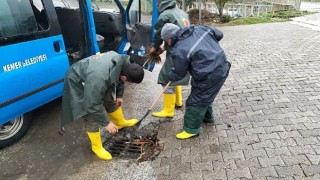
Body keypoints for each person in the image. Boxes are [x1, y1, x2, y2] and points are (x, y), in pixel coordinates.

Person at [61, 51, 144, 160]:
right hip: (77, 80)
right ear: (124, 77)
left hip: (96, 74)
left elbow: (120, 80)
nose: (129, 83)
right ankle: (96, 147)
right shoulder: (99, 78)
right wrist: (106, 123)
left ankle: (120, 122)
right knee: (91, 114)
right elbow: (91, 104)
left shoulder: (125, 63)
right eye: (131, 82)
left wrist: (119, 95)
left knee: (109, 98)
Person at [161, 23, 231, 139]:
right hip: (222, 66)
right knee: (205, 95)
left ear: (171, 38)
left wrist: (170, 77)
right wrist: (209, 47)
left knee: (195, 100)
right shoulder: (201, 29)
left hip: (209, 74)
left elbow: (179, 73)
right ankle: (207, 118)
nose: (167, 43)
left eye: (167, 41)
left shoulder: (180, 49)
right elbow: (219, 34)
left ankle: (191, 129)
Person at [149, 0, 190, 118]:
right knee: (175, 74)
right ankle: (178, 102)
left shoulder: (164, 15)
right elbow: (178, 33)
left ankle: (168, 111)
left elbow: (158, 34)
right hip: (184, 49)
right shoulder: (182, 13)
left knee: (166, 78)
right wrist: (165, 47)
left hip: (176, 51)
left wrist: (154, 47)